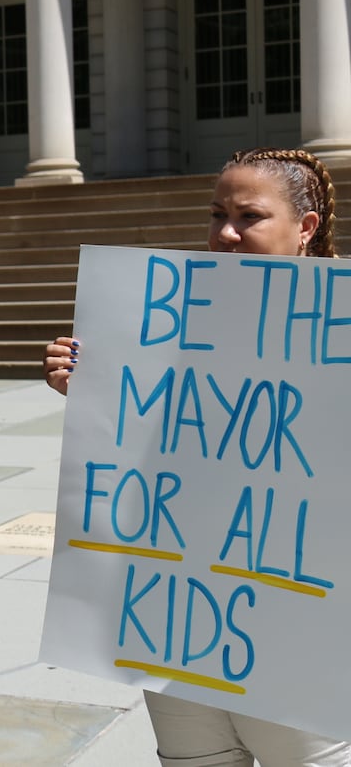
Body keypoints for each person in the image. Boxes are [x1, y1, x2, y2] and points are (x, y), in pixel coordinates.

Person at [43, 147, 350, 767]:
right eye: (217, 214)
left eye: (249, 217)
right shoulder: (167, 318)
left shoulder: (338, 330)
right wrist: (93, 385)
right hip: (180, 622)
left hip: (299, 634)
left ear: (307, 228)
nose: (226, 234)